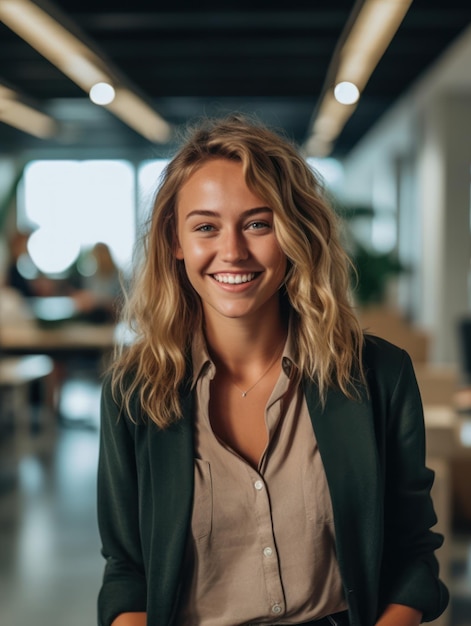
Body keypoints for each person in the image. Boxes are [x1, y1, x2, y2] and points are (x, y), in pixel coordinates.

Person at [97, 115, 449, 626]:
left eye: (258, 223)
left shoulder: (378, 374)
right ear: (176, 242)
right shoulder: (133, 391)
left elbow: (413, 554)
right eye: (205, 227)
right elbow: (127, 571)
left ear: (294, 234)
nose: (233, 251)